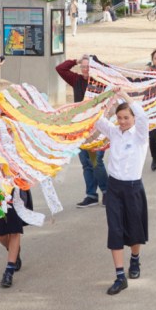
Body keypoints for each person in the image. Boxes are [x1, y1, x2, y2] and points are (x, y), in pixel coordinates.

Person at [94, 91, 151, 295]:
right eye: (119, 118)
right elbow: (95, 118)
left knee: (134, 229)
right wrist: (106, 100)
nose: (123, 121)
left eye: (126, 117)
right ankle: (120, 276)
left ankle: (134, 260)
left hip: (133, 188)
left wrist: (124, 95)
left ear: (133, 118)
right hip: (114, 188)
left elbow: (143, 117)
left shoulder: (140, 135)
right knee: (115, 230)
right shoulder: (113, 131)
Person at [56, 56, 108, 208]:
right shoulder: (76, 80)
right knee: (86, 163)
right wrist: (76, 61)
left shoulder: (101, 82)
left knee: (96, 162)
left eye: (89, 67)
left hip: (97, 128)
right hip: (80, 128)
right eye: (83, 67)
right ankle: (91, 195)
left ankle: (107, 192)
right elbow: (60, 68)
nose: (85, 70)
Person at [0, 188, 33, 288]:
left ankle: (9, 271)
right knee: (0, 233)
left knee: (15, 229)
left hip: (15, 190)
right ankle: (14, 251)